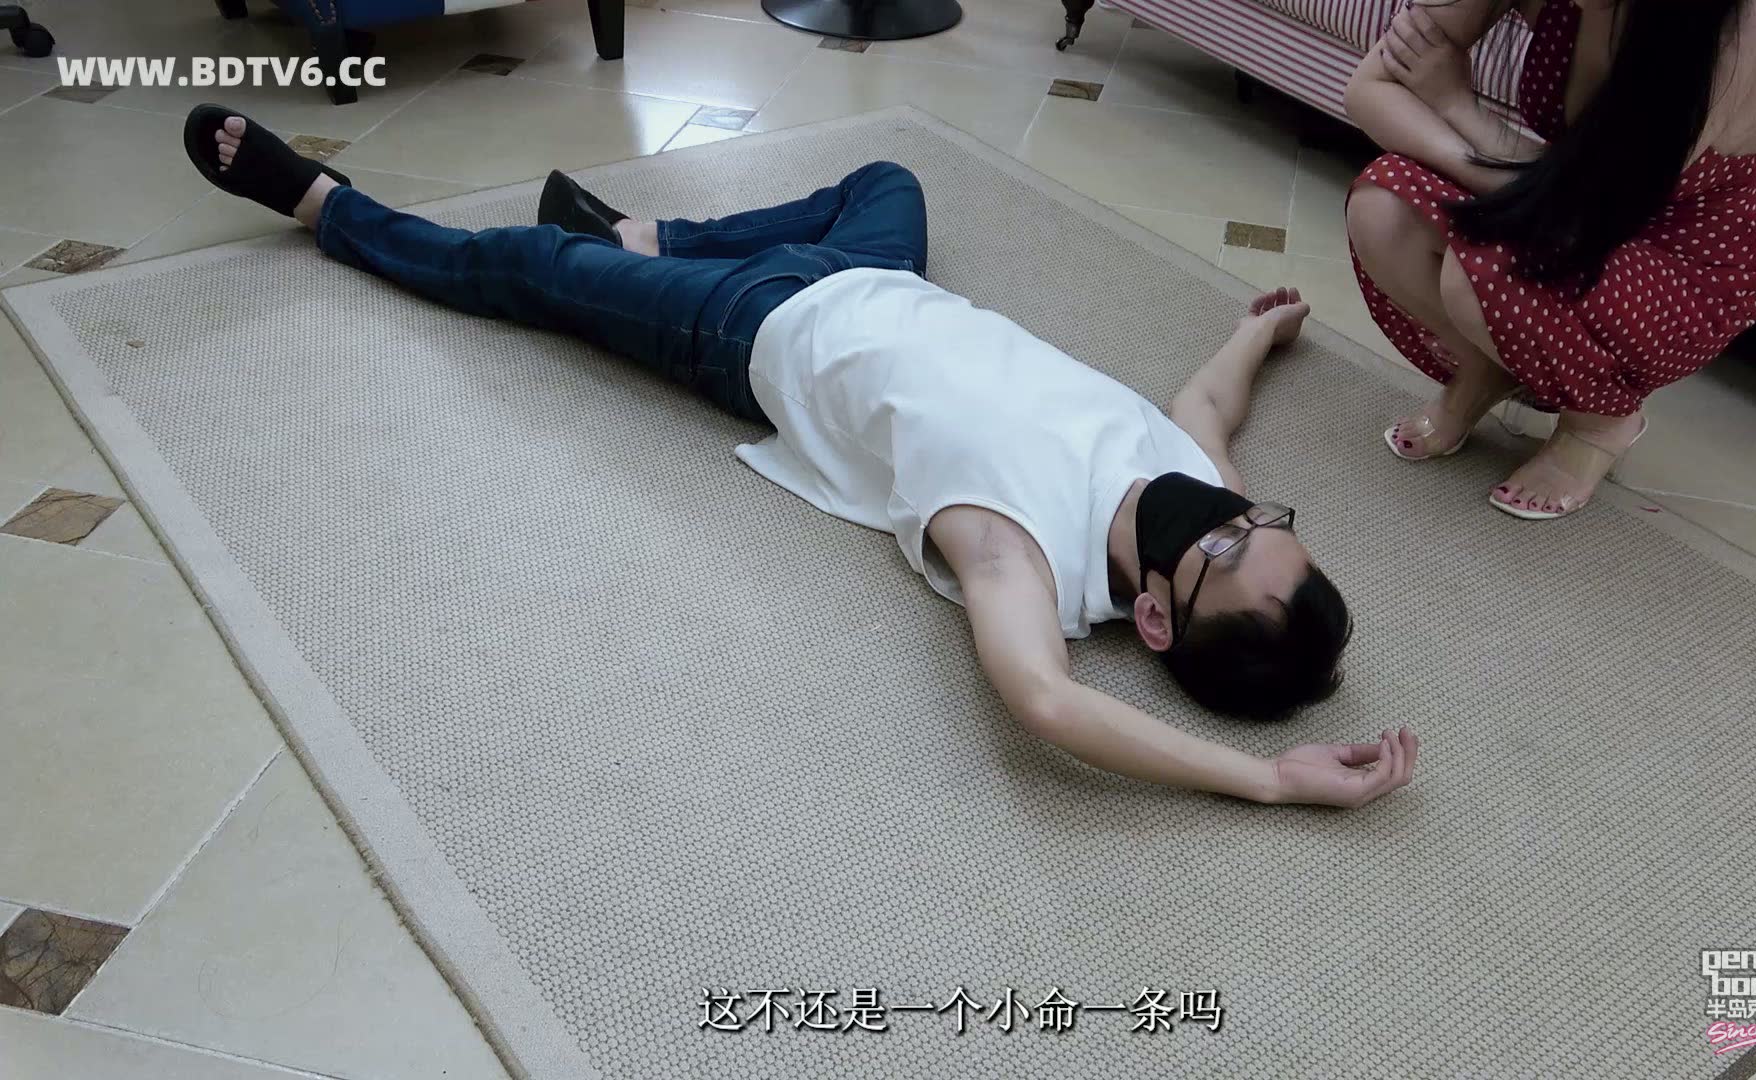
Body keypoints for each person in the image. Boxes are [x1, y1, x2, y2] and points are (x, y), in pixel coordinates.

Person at [179, 105, 1421, 808]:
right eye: (1266, 522)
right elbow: (1208, 402)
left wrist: (1268, 782)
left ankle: (327, 208)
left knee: (525, 269)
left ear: (1153, 618)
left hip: (748, 326)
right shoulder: (1204, 492)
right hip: (877, 277)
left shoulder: (1015, 552)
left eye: (1228, 551)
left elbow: (1046, 703)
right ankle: (655, 232)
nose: (1237, 519)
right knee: (890, 177)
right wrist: (1255, 337)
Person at [1343, 0, 1756, 519]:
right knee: (1383, 208)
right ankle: (1488, 368)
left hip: (1680, 272)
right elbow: (1370, 90)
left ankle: (1600, 424)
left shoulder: (1747, 21)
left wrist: (1456, 106)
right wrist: (1482, 162)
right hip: (1559, 214)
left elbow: (1598, 207)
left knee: (1488, 267)